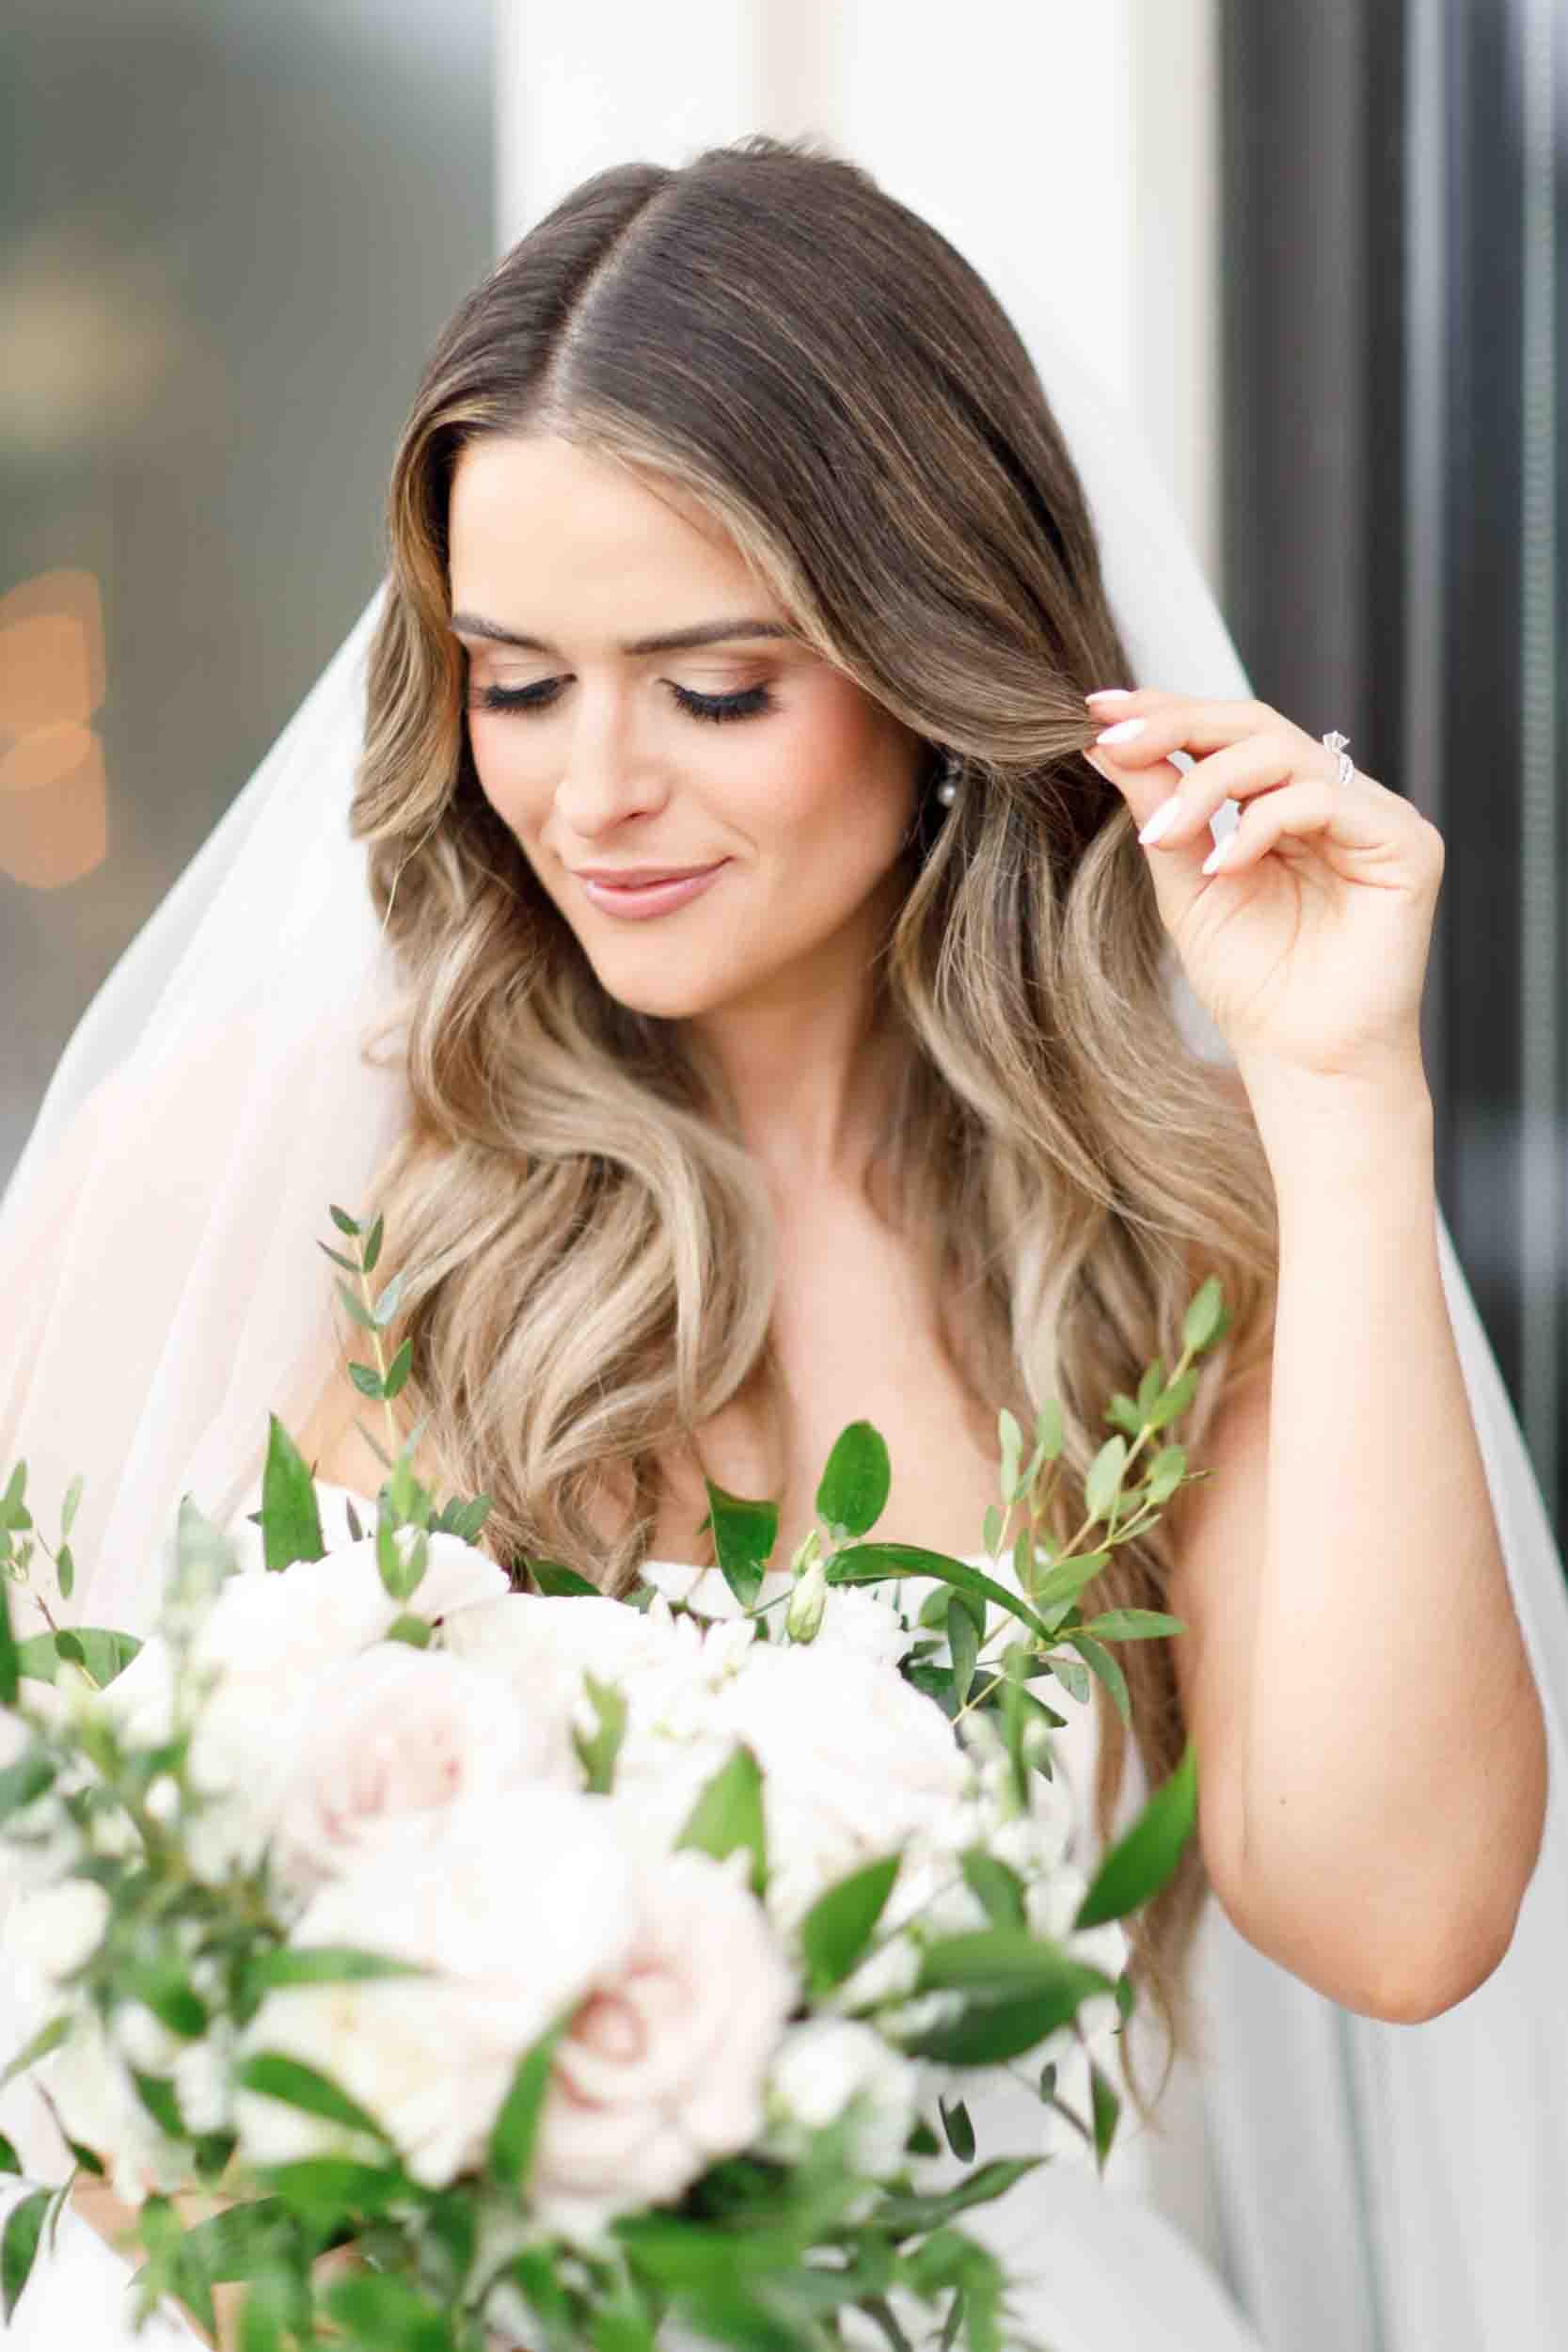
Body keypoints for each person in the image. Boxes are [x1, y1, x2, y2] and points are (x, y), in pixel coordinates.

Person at [0, 132, 1563, 2352]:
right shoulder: (239, 1166)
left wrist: (1343, 1091)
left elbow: (1403, 1916)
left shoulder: (1169, 1240)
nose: (593, 788)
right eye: (518, 678)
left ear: (934, 659)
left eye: (713, 685)